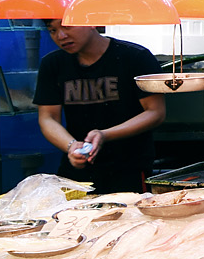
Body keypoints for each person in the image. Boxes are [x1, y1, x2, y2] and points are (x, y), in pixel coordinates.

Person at [34, 20, 166, 194]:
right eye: (52, 30)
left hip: (129, 167)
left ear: (91, 22)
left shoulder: (135, 57)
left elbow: (155, 112)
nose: (61, 36)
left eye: (66, 26)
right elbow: (47, 117)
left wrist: (104, 135)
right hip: (77, 169)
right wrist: (71, 146)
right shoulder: (52, 64)